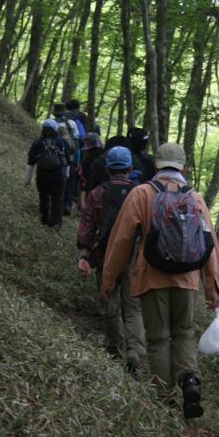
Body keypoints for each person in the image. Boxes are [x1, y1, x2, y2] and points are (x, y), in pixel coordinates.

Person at [100, 143, 219, 419]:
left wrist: (108, 282)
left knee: (157, 339)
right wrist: (212, 289)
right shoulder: (196, 198)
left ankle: (163, 397)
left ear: (156, 166)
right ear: (183, 168)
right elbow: (210, 245)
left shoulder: (141, 193)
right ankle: (190, 379)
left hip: (150, 276)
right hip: (187, 279)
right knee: (184, 332)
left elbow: (120, 243)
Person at [77, 146, 146, 371]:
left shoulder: (98, 193)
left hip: (106, 254)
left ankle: (114, 350)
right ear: (130, 168)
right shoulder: (142, 194)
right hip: (135, 257)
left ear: (107, 169)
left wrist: (84, 255)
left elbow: (87, 227)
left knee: (110, 302)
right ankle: (135, 351)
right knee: (133, 307)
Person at [25, 119, 71, 230]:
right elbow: (68, 159)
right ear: (55, 129)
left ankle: (44, 218)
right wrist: (67, 174)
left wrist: (28, 178)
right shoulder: (61, 141)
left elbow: (31, 160)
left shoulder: (38, 142)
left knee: (43, 196)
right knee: (57, 199)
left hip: (42, 174)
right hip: (58, 174)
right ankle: (56, 222)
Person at [78, 132, 104, 210]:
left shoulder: (87, 159)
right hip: (105, 193)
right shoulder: (106, 155)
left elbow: (83, 180)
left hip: (91, 192)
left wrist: (83, 204)